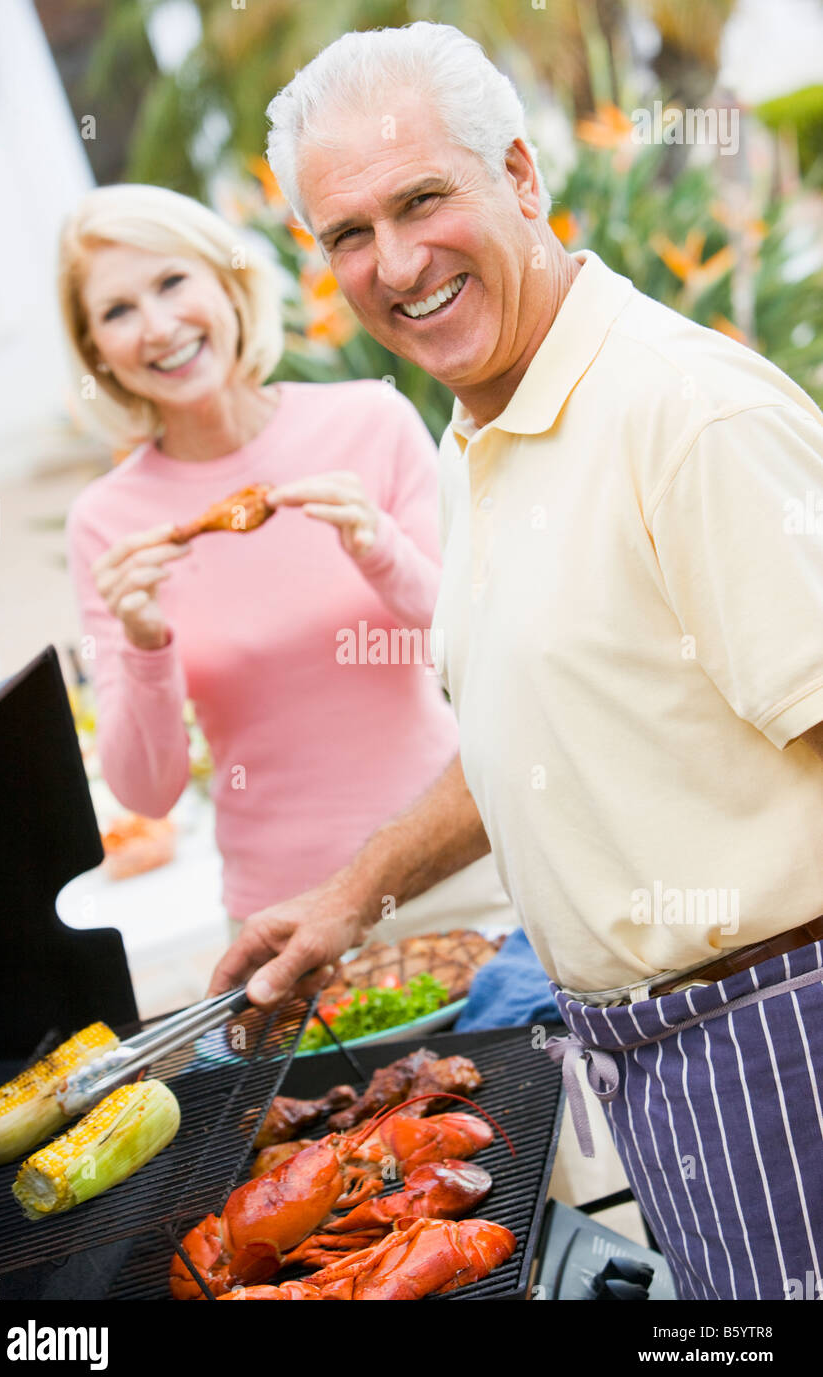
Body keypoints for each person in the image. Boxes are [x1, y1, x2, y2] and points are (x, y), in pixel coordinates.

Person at [209, 22, 823, 1300]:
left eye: (422, 198)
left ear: (523, 176)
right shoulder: (477, 431)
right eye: (347, 235)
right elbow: (542, 740)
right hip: (652, 1058)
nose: (396, 264)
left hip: (781, 1041)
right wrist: (345, 901)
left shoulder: (683, 414)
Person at [61, 182, 516, 951]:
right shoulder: (105, 524)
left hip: (461, 873)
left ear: (228, 281)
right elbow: (148, 792)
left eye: (173, 282)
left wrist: (378, 549)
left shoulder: (368, 421)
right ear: (96, 351)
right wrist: (143, 643)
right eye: (117, 311)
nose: (158, 326)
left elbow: (473, 635)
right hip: (285, 925)